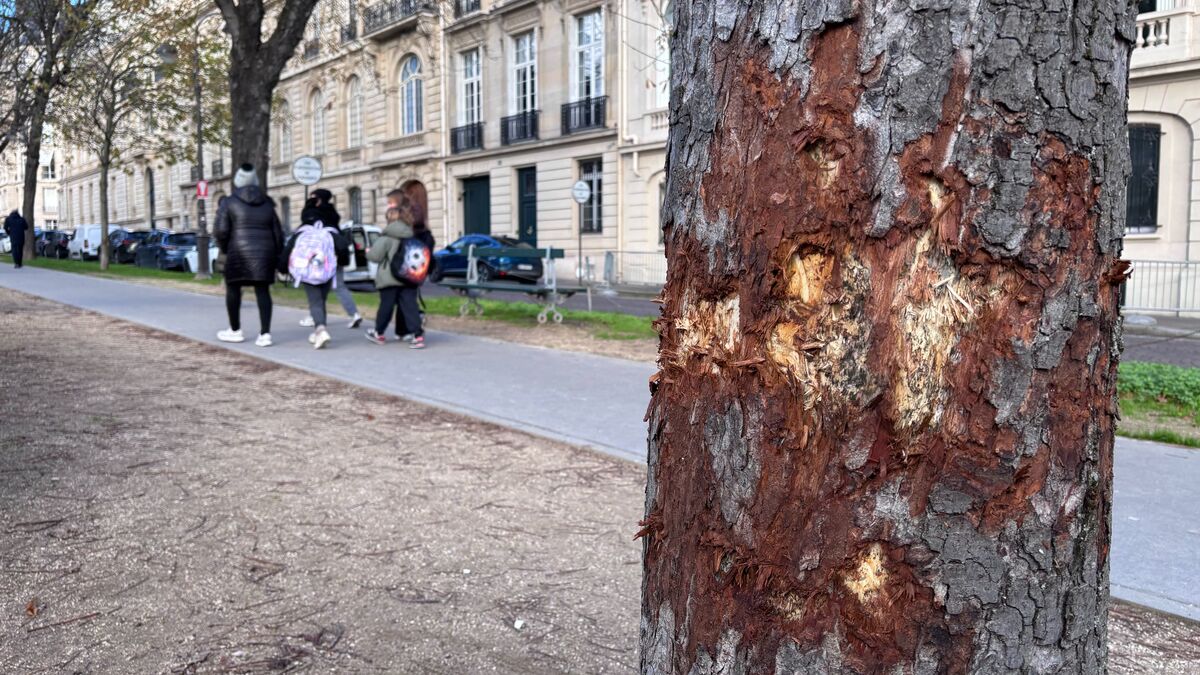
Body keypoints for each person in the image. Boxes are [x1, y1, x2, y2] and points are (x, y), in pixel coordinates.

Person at [213, 164, 284, 347]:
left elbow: (221, 230)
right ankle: (265, 334)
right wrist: (277, 254)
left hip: (237, 251)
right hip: (265, 253)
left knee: (233, 289)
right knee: (263, 291)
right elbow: (278, 233)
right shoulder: (268, 204)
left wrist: (225, 248)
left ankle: (235, 330)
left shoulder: (228, 202)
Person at [282, 206, 349, 350]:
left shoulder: (301, 232)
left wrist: (283, 268)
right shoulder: (330, 232)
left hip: (307, 272)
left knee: (315, 302)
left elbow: (287, 250)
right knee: (321, 300)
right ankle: (319, 330)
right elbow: (343, 248)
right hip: (326, 272)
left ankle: (320, 329)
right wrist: (342, 262)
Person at [298, 188, 362, 329]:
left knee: (315, 284)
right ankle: (354, 314)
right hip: (335, 253)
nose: (311, 200)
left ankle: (315, 316)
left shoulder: (313, 214)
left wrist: (309, 205)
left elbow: (305, 221)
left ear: (319, 199)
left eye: (313, 198)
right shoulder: (332, 213)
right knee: (338, 286)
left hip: (319, 255)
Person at [365, 202, 426, 349]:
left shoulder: (387, 237)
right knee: (410, 306)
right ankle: (417, 336)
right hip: (408, 277)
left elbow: (375, 256)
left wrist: (368, 252)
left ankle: (379, 333)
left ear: (389, 219)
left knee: (386, 306)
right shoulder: (411, 235)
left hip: (389, 278)